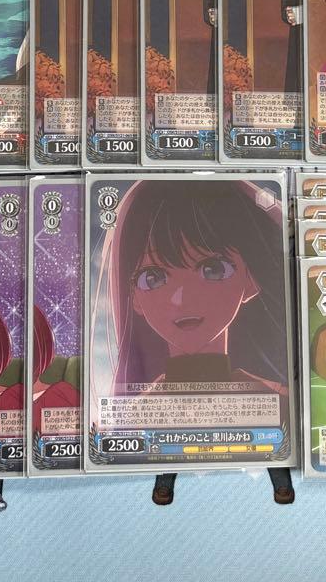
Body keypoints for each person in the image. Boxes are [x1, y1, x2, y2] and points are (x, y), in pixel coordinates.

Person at [96, 178, 294, 505]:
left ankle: (279, 482)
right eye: (154, 277)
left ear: (250, 280)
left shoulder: (275, 401)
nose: (182, 297)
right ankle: (165, 483)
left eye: (213, 269)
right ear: (134, 297)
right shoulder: (135, 416)